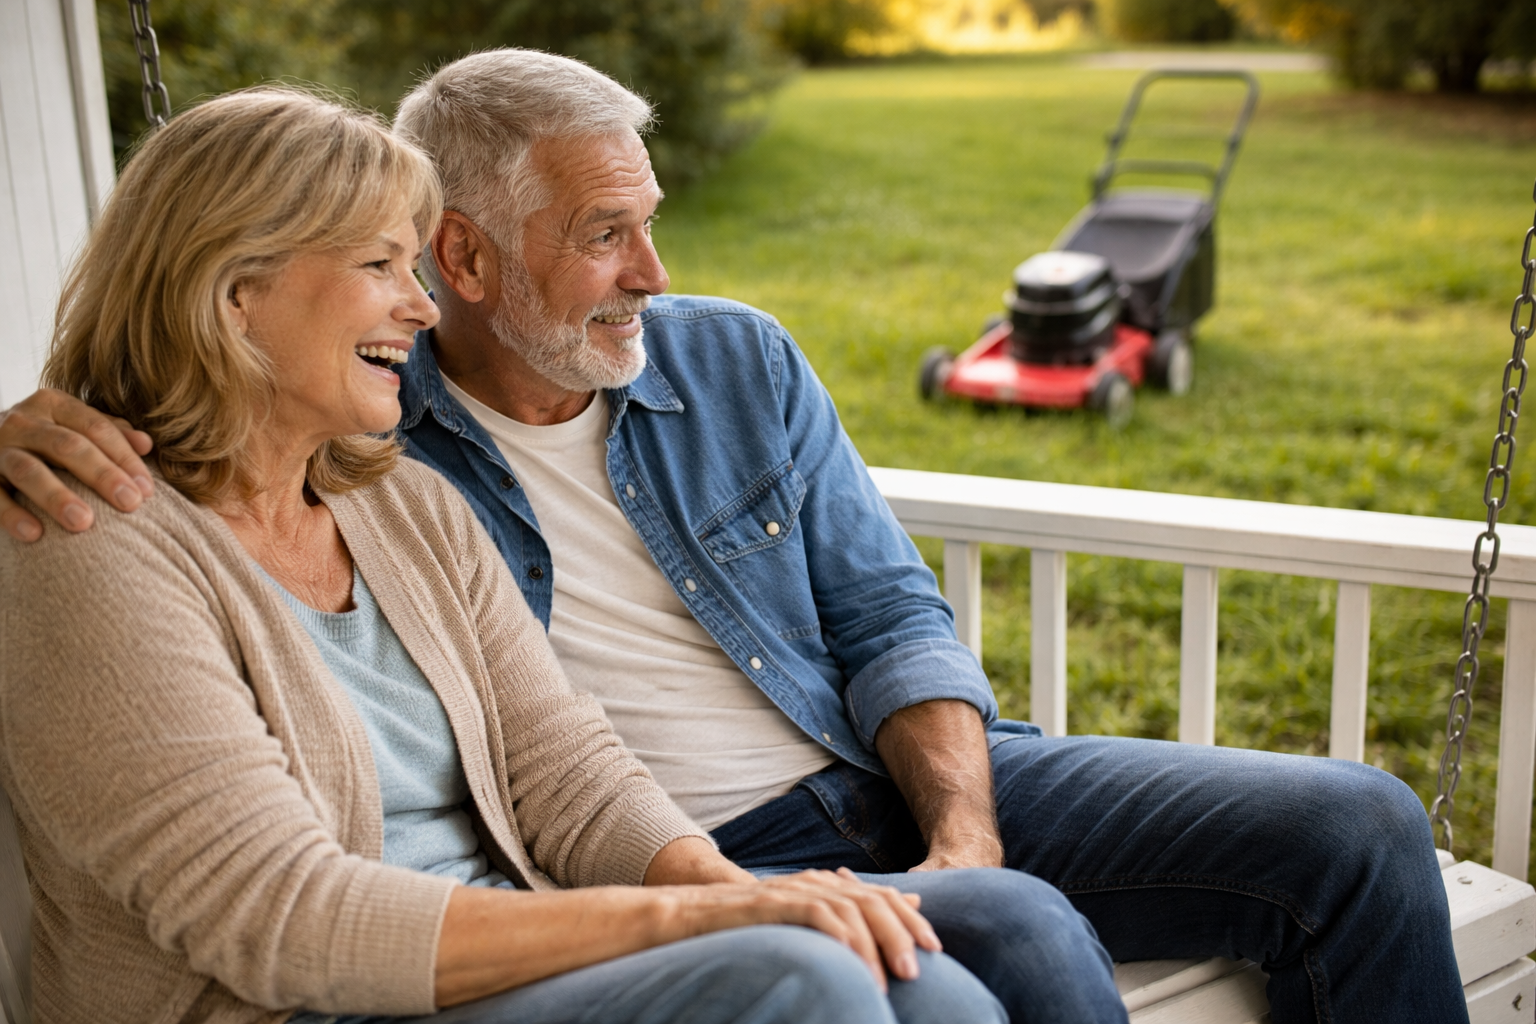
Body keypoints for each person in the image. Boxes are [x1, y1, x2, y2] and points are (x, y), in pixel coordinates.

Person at [0, 51, 1467, 1024]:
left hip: (843, 769)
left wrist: (954, 831)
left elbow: (874, 621)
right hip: (562, 898)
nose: (655, 271)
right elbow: (294, 900)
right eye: (603, 234)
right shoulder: (321, 457)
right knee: (957, 955)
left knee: (1347, 826)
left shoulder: (427, 482)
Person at [0, 87, 1015, 1024]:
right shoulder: (89, 545)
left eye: (416, 264)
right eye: (378, 266)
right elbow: (278, 916)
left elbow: (567, 769)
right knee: (809, 975)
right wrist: (703, 922)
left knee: (927, 984)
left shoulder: (402, 503)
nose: (425, 306)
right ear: (235, 294)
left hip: (498, 966)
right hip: (305, 1001)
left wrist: (741, 894)